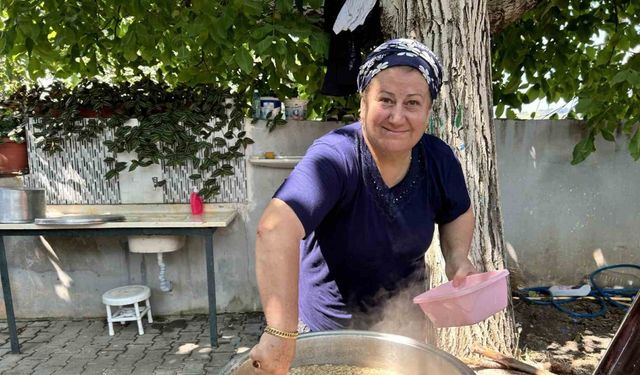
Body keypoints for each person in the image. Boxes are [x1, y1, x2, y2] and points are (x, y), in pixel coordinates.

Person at [249, 38, 477, 374]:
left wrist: (458, 259)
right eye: (385, 100)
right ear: (363, 104)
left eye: (412, 103)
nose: (397, 117)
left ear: (428, 111)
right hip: (325, 335)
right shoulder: (335, 156)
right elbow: (274, 229)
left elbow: (457, 211)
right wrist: (280, 334)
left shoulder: (438, 159)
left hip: (405, 329)